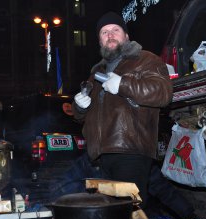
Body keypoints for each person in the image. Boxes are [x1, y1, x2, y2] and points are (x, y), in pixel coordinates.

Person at [72, 11, 173, 206]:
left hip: (130, 150)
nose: (110, 35)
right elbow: (81, 118)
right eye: (104, 32)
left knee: (130, 214)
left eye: (115, 30)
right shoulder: (96, 73)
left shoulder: (146, 59)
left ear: (126, 36)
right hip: (100, 157)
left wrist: (123, 85)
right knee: (110, 217)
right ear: (100, 41)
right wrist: (80, 107)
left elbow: (163, 92)